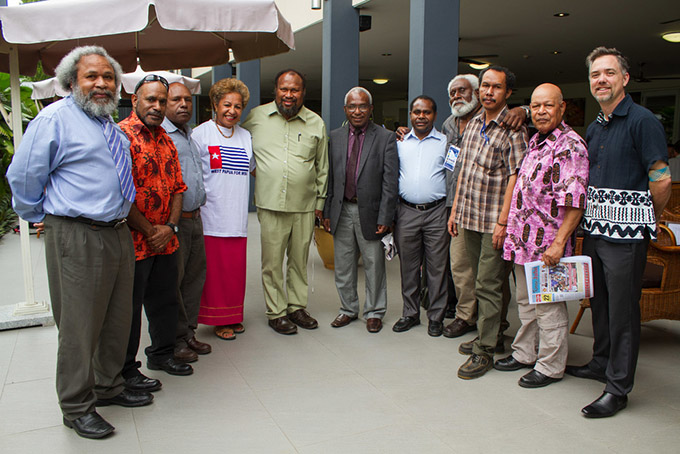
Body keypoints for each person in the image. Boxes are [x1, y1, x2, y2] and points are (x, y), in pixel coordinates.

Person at [6, 45, 152, 440]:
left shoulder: (109, 125)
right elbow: (22, 178)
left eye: (108, 77)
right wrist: (47, 217)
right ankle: (76, 406)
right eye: (92, 76)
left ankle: (107, 387)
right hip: (76, 234)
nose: (101, 83)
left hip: (118, 232)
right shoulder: (55, 119)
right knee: (79, 327)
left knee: (117, 320)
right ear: (72, 82)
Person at [566, 47, 671, 417]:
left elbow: (661, 179)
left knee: (624, 311)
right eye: (596, 75)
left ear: (624, 79)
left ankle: (618, 387)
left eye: (609, 73)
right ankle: (600, 363)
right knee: (601, 304)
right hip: (595, 232)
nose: (601, 80)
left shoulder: (642, 120)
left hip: (626, 239)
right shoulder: (595, 127)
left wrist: (644, 220)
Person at [494, 83, 589, 388]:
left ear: (562, 108)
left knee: (548, 307)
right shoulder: (536, 141)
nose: (541, 111)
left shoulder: (571, 146)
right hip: (523, 243)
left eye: (548, 105)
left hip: (548, 247)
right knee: (525, 302)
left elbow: (575, 201)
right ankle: (524, 353)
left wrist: (560, 242)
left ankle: (550, 366)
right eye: (536, 106)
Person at [449, 65, 528, 379]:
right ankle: (490, 334)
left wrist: (504, 222)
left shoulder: (513, 127)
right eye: (485, 86)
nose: (488, 92)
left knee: (489, 284)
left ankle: (484, 352)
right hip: (468, 216)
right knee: (477, 280)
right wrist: (455, 210)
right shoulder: (471, 124)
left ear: (508, 93)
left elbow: (516, 177)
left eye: (496, 87)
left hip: (493, 221)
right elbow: (463, 172)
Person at [241, 69, 328, 335]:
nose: (289, 95)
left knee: (299, 260)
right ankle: (276, 312)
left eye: (295, 90)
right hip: (270, 204)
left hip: (304, 205)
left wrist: (320, 204)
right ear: (275, 90)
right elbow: (239, 147)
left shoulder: (316, 123)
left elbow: (322, 166)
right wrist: (264, 172)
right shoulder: (256, 117)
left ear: (303, 92)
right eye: (284, 89)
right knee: (272, 262)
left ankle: (296, 307)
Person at [120, 74, 193, 385]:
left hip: (167, 239)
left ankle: (162, 355)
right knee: (129, 309)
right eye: (151, 99)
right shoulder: (120, 136)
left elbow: (178, 187)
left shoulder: (166, 139)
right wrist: (151, 231)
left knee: (165, 301)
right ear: (135, 100)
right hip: (134, 240)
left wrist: (171, 227)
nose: (158, 106)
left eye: (162, 101)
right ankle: (126, 370)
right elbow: (120, 193)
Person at [322, 87, 399, 333]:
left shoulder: (385, 138)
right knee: (343, 265)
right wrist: (326, 211)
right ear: (345, 110)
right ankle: (347, 309)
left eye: (363, 106)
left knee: (374, 265)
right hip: (342, 210)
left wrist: (386, 216)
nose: (357, 111)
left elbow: (390, 181)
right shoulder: (335, 137)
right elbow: (330, 178)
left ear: (371, 109)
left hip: (372, 213)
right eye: (352, 106)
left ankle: (374, 312)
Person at [193, 78, 254, 340]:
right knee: (215, 274)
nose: (232, 110)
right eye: (226, 104)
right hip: (211, 216)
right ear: (215, 105)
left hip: (237, 215)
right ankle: (219, 321)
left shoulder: (245, 136)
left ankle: (233, 316)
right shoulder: (200, 134)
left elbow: (253, 170)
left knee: (234, 272)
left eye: (238, 106)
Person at [161, 82, 212, 363]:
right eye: (176, 100)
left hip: (195, 219)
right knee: (174, 282)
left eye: (188, 100)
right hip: (174, 221)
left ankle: (189, 332)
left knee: (194, 280)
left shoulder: (189, 135)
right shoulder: (162, 136)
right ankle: (174, 339)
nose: (183, 104)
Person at [392, 95, 449, 337]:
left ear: (434, 115)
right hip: (406, 212)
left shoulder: (446, 142)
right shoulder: (400, 141)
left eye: (426, 112)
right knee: (409, 267)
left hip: (437, 211)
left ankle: (436, 317)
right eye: (416, 112)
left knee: (437, 267)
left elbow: (453, 177)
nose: (421, 116)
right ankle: (410, 313)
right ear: (410, 115)